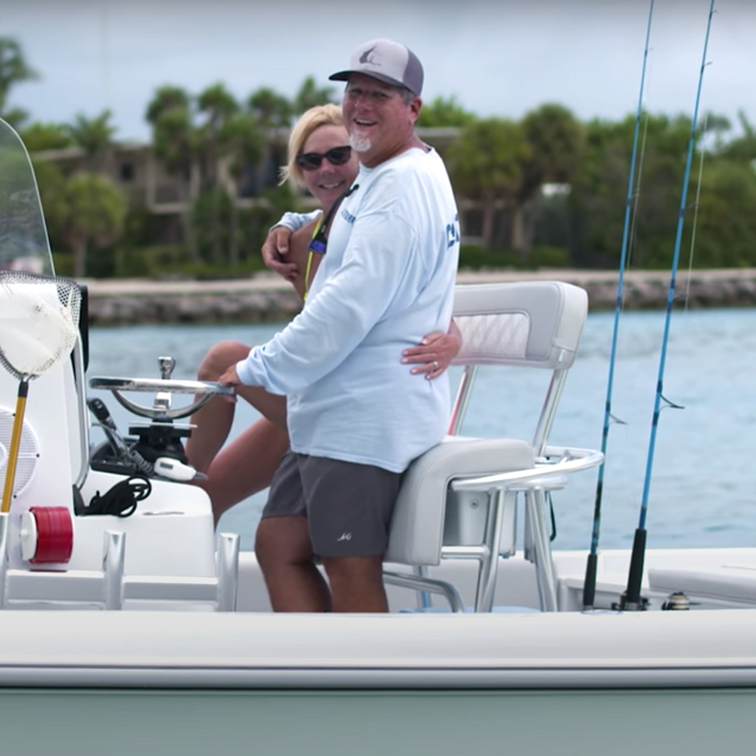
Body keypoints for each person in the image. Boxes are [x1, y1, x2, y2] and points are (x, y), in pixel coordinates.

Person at [214, 38, 460, 614]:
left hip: (364, 420)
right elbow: (335, 215)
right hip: (330, 414)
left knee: (349, 567)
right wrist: (286, 221)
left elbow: (348, 306)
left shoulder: (399, 187)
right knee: (279, 544)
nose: (361, 105)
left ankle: (369, 695)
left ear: (413, 108)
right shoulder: (392, 172)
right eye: (354, 92)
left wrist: (258, 367)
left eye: (379, 94)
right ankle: (319, 679)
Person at [186, 102, 460, 525]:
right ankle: (178, 496)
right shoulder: (300, 241)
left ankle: (176, 474)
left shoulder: (386, 218)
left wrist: (454, 340)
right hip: (318, 392)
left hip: (365, 409)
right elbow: (319, 218)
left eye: (339, 155)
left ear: (362, 154)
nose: (326, 169)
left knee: (224, 359)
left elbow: (431, 305)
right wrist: (283, 224)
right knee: (206, 500)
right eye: (310, 161)